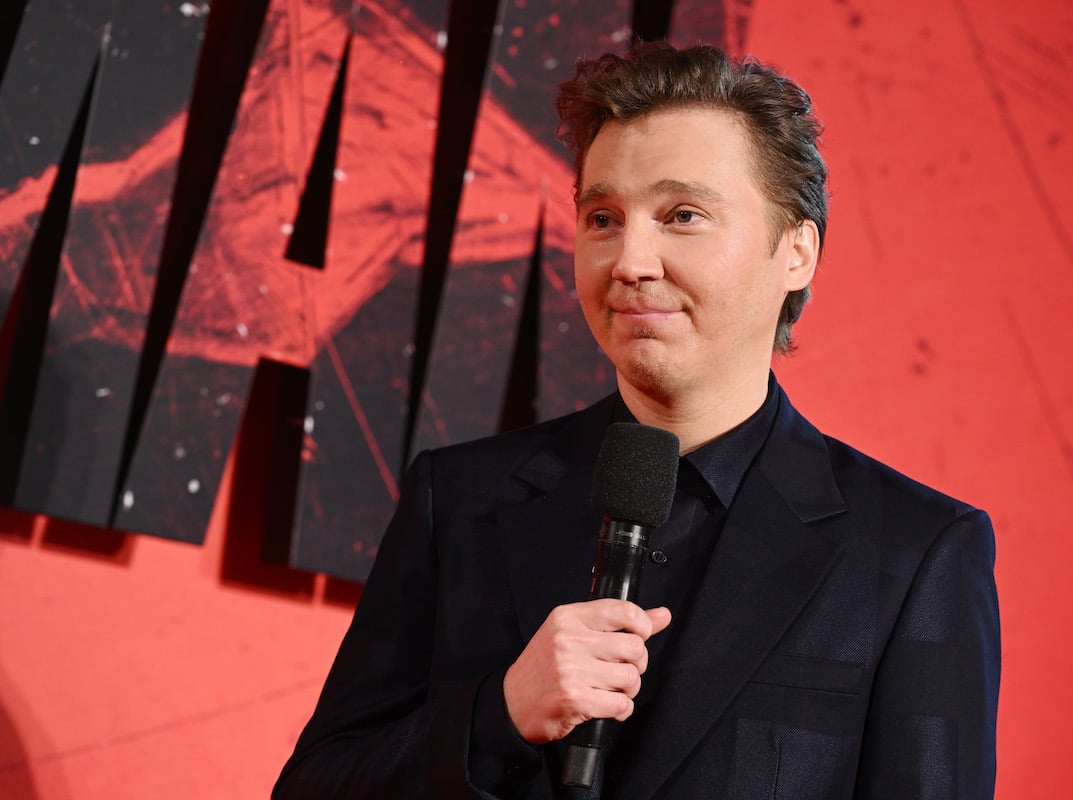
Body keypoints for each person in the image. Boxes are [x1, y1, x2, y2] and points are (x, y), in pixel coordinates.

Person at [273, 41, 1001, 799]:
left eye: (682, 215)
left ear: (797, 252)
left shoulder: (915, 552)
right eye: (603, 217)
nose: (630, 261)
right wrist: (497, 716)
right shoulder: (456, 501)